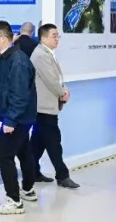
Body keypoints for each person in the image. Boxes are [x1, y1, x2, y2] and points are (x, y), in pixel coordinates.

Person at [0, 21, 38, 215]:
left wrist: (11, 120)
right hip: (18, 117)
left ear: (3, 38)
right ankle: (28, 190)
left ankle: (14, 200)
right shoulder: (5, 57)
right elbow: (3, 90)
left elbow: (19, 95)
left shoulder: (18, 61)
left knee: (3, 155)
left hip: (17, 118)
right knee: (24, 152)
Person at [30, 24, 79, 189]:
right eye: (54, 36)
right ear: (43, 37)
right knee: (53, 142)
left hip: (45, 106)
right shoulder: (40, 55)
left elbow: (56, 78)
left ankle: (32, 171)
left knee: (38, 142)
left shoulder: (47, 53)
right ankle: (62, 175)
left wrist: (64, 90)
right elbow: (51, 80)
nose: (57, 39)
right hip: (43, 107)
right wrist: (62, 93)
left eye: (58, 36)